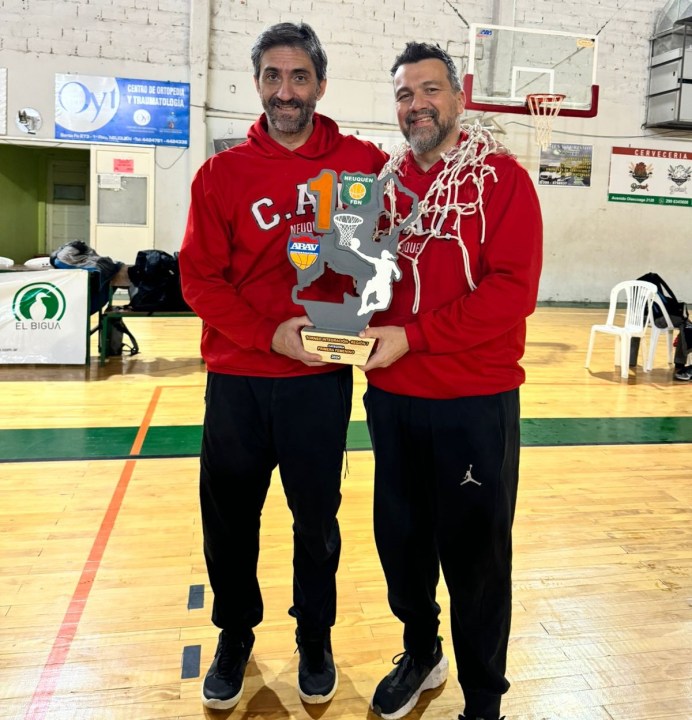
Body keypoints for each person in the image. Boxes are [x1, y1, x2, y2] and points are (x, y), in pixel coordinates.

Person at [178, 22, 387, 711]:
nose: (285, 91)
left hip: (318, 383)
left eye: (299, 77)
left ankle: (315, 637)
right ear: (258, 83)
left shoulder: (362, 163)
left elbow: (390, 247)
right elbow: (200, 281)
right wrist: (269, 334)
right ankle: (234, 633)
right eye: (273, 76)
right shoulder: (222, 174)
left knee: (316, 521)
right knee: (230, 521)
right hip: (238, 379)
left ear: (320, 84)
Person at [360, 42, 543, 720]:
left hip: (472, 402)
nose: (418, 105)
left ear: (458, 98)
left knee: (476, 559)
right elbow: (357, 277)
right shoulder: (380, 186)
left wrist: (414, 336)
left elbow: (511, 292)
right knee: (401, 544)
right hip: (392, 399)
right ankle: (421, 652)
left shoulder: (502, 180)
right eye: (405, 94)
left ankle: (484, 701)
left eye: (430, 90)